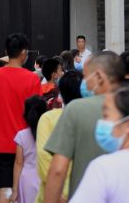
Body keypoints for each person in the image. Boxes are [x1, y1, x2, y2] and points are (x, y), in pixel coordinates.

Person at [43, 51, 125, 203]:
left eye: (86, 77)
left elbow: (58, 170)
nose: (84, 83)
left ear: (99, 77)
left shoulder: (75, 110)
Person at [0, 33, 42, 203]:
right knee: (28, 188)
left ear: (7, 51)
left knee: (5, 190)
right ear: (24, 52)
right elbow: (37, 113)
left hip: (0, 143)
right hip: (26, 143)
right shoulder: (32, 79)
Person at [35, 69, 82, 203]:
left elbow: (44, 156)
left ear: (60, 94)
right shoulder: (95, 117)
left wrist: (56, 190)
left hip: (52, 193)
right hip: (85, 191)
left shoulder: (48, 118)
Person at [11, 96, 47, 203]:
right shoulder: (50, 134)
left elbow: (18, 163)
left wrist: (14, 190)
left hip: (26, 181)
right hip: (45, 177)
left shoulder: (21, 136)